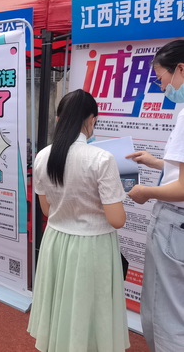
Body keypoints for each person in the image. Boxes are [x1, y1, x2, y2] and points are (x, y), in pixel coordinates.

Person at [27, 89, 129, 352]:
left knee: (59, 305)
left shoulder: (42, 156)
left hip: (56, 240)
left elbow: (47, 209)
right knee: (92, 311)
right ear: (91, 120)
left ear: (58, 119)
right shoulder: (102, 159)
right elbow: (117, 219)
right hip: (92, 245)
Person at [126, 40, 184, 352]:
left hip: (175, 224)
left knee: (166, 317)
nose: (162, 88)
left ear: (180, 69)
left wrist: (146, 192)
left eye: (161, 79)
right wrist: (156, 162)